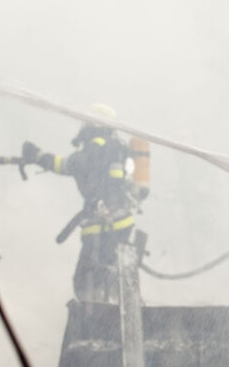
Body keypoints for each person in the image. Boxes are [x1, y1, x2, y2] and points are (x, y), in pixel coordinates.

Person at [21, 123, 147, 303]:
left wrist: (38, 156)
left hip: (100, 228)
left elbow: (66, 166)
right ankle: (123, 307)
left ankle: (96, 316)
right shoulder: (120, 149)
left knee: (86, 279)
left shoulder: (94, 147)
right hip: (123, 224)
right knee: (117, 273)